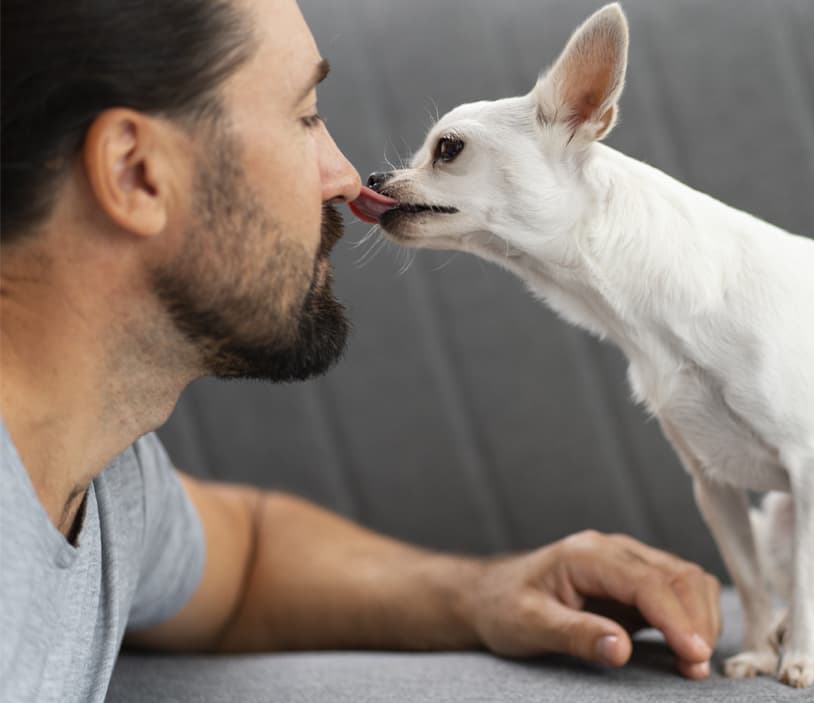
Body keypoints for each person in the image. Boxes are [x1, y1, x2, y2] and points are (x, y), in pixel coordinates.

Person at [0, 1, 722, 700]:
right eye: (304, 116)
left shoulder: (107, 475)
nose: (348, 178)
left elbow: (248, 559)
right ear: (135, 173)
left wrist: (490, 590)